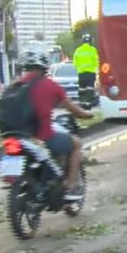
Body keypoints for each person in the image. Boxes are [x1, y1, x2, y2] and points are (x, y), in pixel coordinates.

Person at [19, 51, 94, 201]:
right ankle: (70, 186)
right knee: (76, 144)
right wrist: (86, 115)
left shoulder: (16, 85)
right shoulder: (49, 85)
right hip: (42, 136)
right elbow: (71, 107)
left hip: (19, 135)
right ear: (44, 67)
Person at [73, 34, 99, 105]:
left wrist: (78, 69)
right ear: (90, 41)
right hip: (91, 73)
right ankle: (88, 103)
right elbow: (97, 60)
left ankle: (82, 102)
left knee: (82, 88)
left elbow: (75, 62)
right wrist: (96, 69)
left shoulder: (78, 50)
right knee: (90, 88)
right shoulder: (93, 50)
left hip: (81, 73)